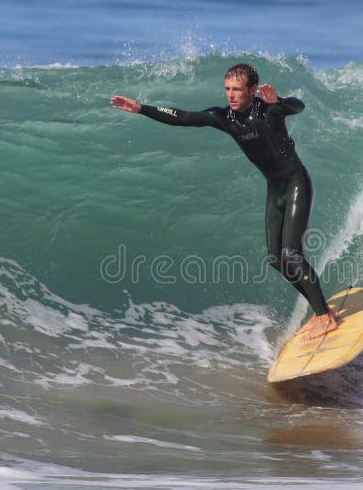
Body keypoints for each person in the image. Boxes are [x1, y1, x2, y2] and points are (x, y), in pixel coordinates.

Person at [110, 63, 337, 341]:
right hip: (274, 189)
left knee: (291, 254)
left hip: (295, 184)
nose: (231, 95)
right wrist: (141, 108)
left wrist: (277, 101)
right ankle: (320, 311)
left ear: (252, 90)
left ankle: (325, 316)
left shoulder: (268, 110)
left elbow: (297, 106)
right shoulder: (224, 117)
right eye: (227, 89)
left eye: (237, 89)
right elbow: (183, 117)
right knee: (276, 259)